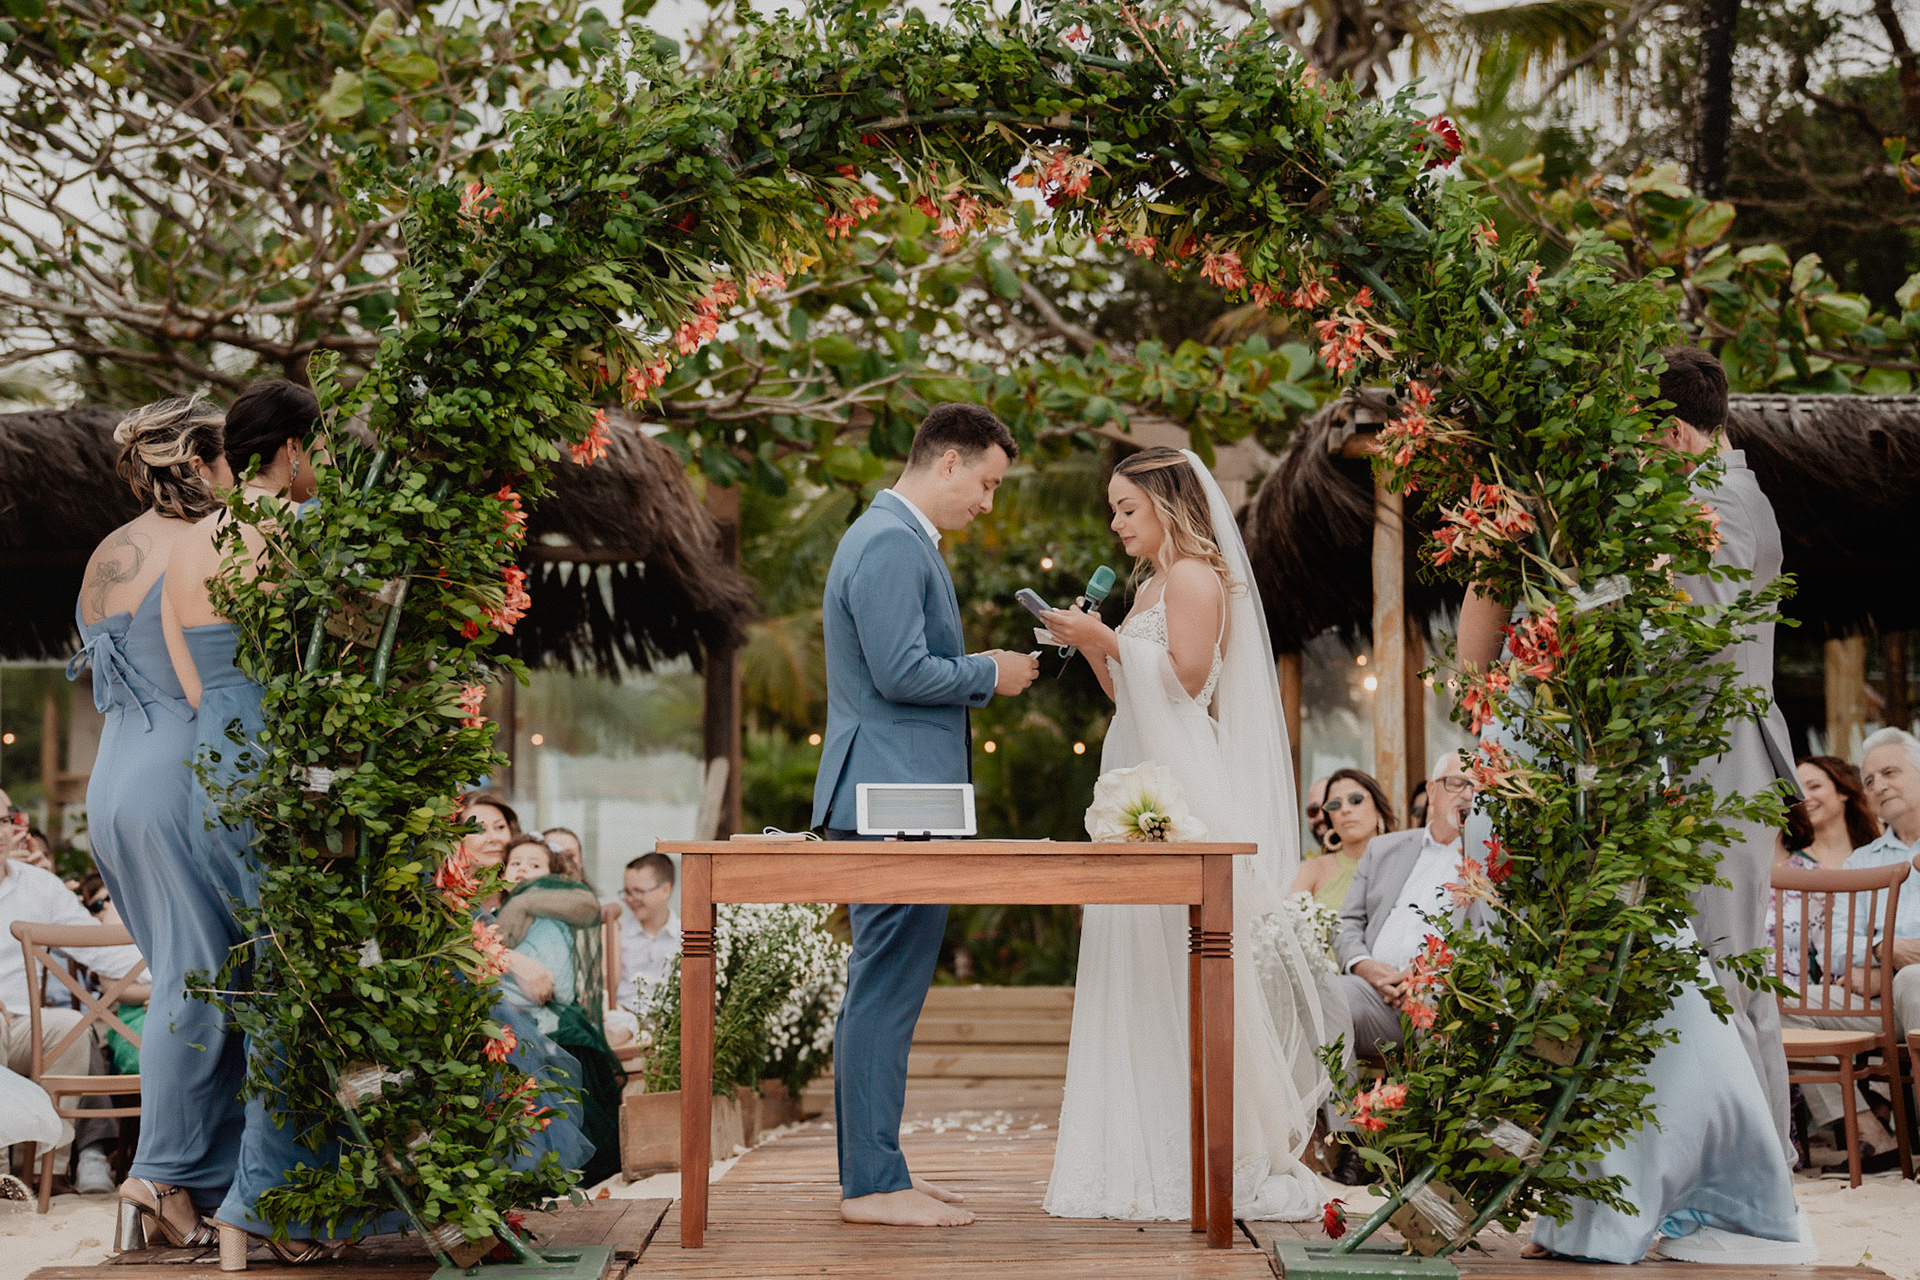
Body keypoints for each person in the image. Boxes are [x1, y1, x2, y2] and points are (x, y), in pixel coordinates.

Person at [1519, 348, 1810, 1263]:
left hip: (1721, 765)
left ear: (1677, 434)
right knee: (1689, 980)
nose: (1637, 464)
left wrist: (1587, 610)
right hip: (1685, 766)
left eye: (1645, 446)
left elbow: (1697, 635)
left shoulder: (1726, 506)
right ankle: (1699, 1175)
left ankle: (1763, 1182)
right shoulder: (1706, 496)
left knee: (1730, 974)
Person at [1039, 446, 1327, 1223]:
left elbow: (1189, 680)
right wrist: (1097, 643)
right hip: (1137, 762)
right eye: (1113, 509)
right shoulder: (1152, 587)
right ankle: (1136, 1144)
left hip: (1180, 777)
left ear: (1168, 505)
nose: (1115, 522)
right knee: (1133, 948)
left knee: (1181, 950)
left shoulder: (1197, 576)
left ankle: (1202, 1147)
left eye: (1127, 508)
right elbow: (1129, 692)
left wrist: (1107, 643)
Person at [813, 403, 1038, 1230]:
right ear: (948, 462)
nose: (988, 502)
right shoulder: (884, 542)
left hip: (904, 798)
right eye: (986, 483)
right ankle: (872, 1186)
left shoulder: (897, 541)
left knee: (890, 992)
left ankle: (881, 1171)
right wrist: (990, 670)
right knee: (882, 992)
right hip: (890, 802)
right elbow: (902, 671)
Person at [67, 396, 241, 1246]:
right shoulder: (208, 543)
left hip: (112, 780)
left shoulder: (107, 552)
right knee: (199, 981)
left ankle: (189, 1172)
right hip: (181, 771)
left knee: (186, 971)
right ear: (206, 461)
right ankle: (162, 1175)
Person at [1772, 755, 1897, 1166]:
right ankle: (1866, 1125)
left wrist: (1880, 967)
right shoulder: (1801, 866)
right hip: (1839, 987)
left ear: (1844, 791)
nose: (1806, 798)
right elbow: (1831, 953)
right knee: (1788, 1002)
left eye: (1816, 786)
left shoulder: (1879, 854)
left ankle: (1879, 1113)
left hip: (1886, 988)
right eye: (1799, 788)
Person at [1292, 769, 1394, 913]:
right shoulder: (1309, 870)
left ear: (1377, 807)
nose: (1345, 809)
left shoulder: (1403, 864)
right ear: (1330, 818)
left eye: (1356, 800)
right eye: (1334, 805)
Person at [616, 853, 679, 1011]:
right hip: (624, 1018)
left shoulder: (685, 938)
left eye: (638, 891)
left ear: (665, 890)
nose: (631, 899)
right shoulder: (618, 933)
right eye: (627, 892)